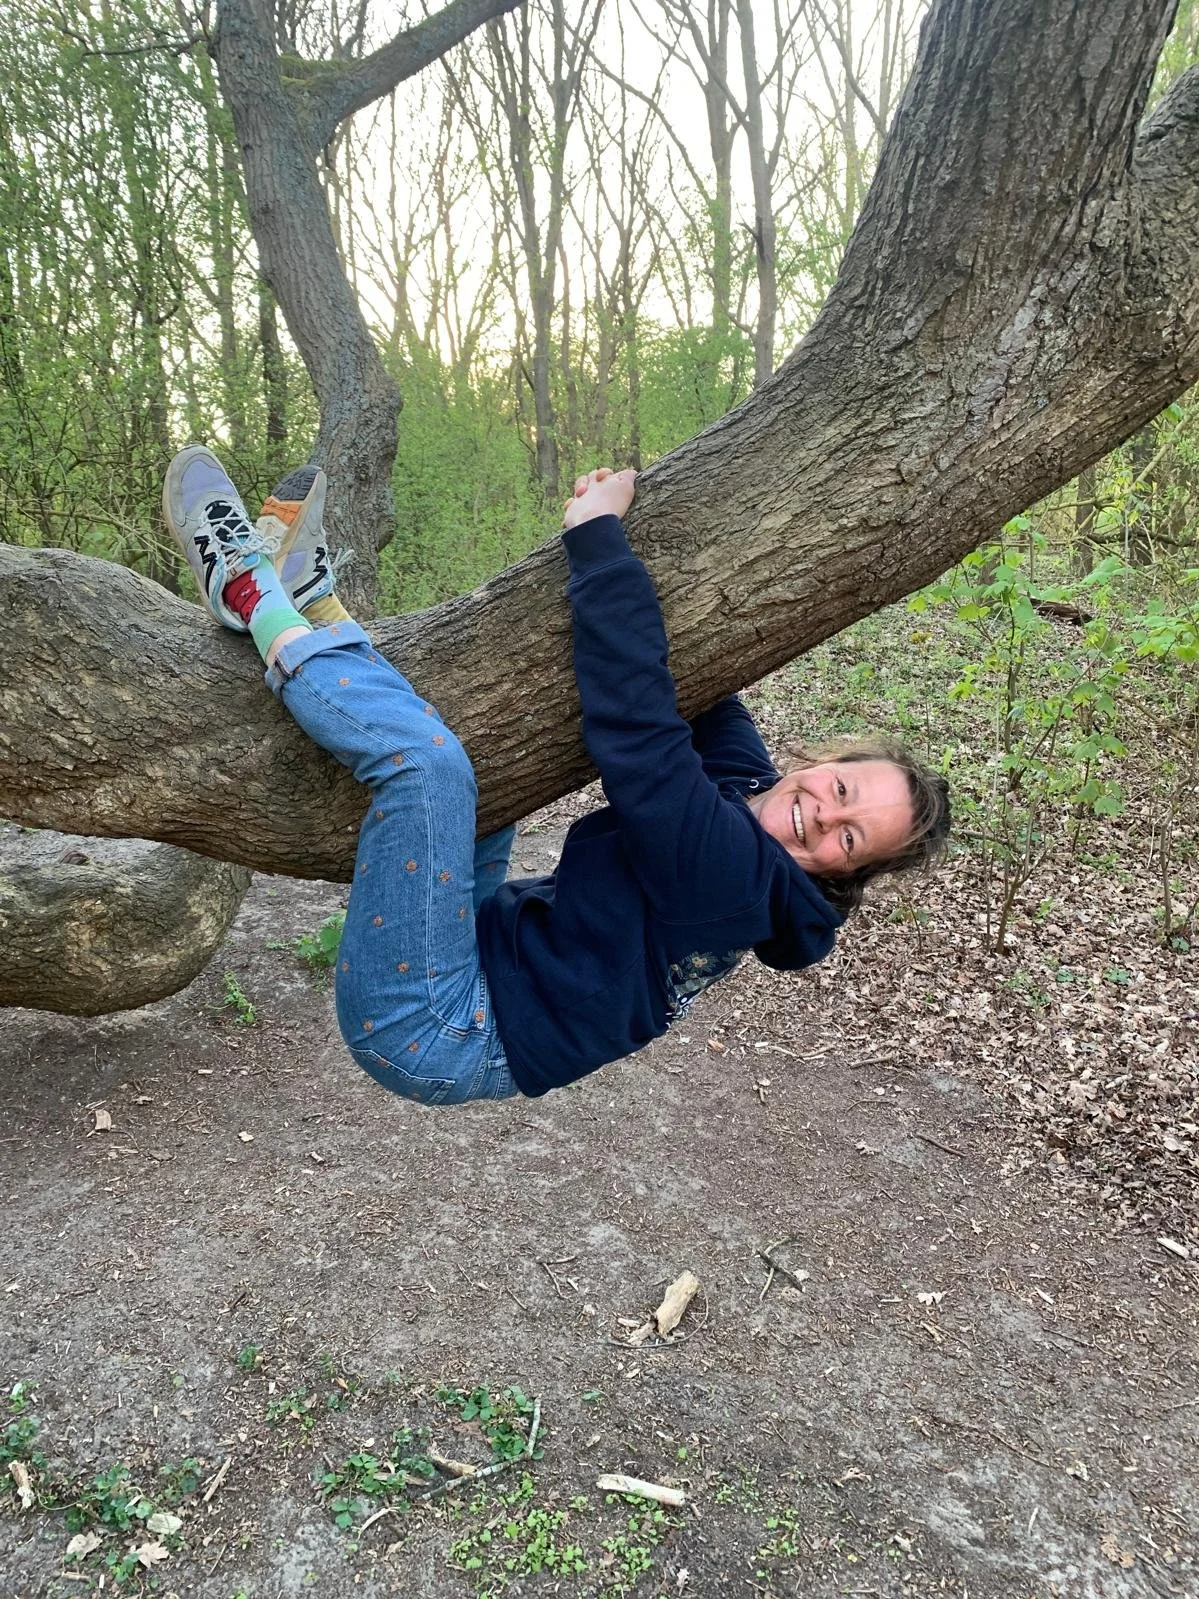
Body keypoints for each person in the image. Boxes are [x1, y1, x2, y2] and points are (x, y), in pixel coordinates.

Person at [163, 447, 949, 1104]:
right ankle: (315, 607)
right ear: (822, 763)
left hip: (434, 1027)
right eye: (841, 791)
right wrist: (660, 559)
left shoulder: (739, 880)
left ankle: (247, 588)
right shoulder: (752, 802)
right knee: (493, 749)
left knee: (429, 770)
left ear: (842, 873)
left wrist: (598, 536)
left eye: (850, 839)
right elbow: (706, 693)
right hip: (482, 952)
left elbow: (641, 729)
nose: (824, 816)